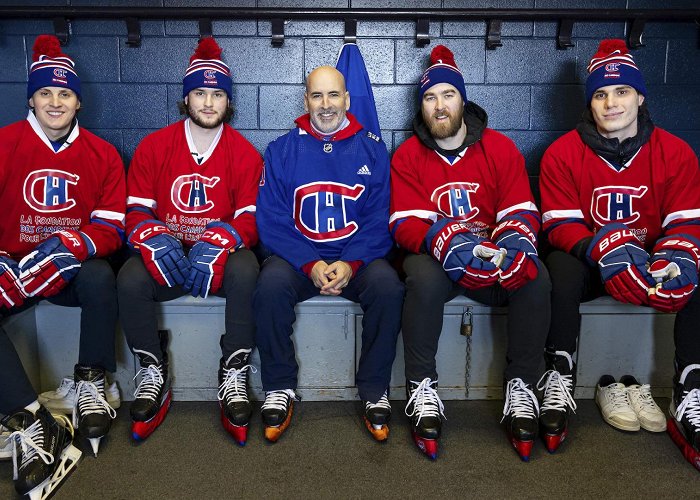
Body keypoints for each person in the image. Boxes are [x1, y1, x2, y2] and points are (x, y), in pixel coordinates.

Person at [540, 39, 700, 469]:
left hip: (652, 261)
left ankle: (689, 388)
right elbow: (558, 225)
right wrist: (607, 250)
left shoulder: (676, 152)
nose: (611, 103)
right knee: (559, 268)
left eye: (622, 91)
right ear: (590, 103)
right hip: (594, 265)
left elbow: (686, 223)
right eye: (600, 94)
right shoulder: (562, 153)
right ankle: (559, 371)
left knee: (699, 268)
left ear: (640, 95)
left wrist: (675, 257)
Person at [390, 45, 551, 461]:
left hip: (491, 259)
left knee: (535, 276)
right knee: (421, 278)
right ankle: (421, 388)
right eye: (429, 98)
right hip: (441, 262)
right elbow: (404, 223)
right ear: (421, 106)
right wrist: (449, 242)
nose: (439, 106)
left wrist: (511, 249)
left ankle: (522, 387)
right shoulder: (408, 154)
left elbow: (520, 210)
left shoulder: (499, 148)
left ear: (463, 99)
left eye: (447, 95)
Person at [117, 37, 262, 445]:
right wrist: (151, 237)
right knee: (128, 279)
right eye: (200, 92)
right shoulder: (155, 146)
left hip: (217, 258)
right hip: (170, 254)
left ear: (228, 101)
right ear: (186, 98)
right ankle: (151, 368)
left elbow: (252, 217)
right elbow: (136, 211)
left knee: (247, 269)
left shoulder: (244, 154)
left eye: (217, 94)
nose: (209, 102)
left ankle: (233, 369)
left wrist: (224, 237)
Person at [0, 33, 126, 496]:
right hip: (13, 271)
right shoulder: (4, 144)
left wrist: (66, 247)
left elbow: (112, 228)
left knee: (100, 275)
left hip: (66, 269)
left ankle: (90, 381)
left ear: (78, 102)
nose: (55, 102)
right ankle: (31, 421)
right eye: (46, 92)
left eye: (65, 93)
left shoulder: (102, 153)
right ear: (31, 97)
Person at [254, 65, 404, 443]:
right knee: (269, 284)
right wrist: (311, 263)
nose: (325, 105)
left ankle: (374, 390)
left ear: (347, 99)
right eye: (317, 96)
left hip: (354, 259)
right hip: (302, 260)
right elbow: (271, 221)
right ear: (305, 100)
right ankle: (280, 386)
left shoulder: (372, 149)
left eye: (333, 95)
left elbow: (378, 219)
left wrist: (351, 263)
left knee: (388, 286)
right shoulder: (281, 150)